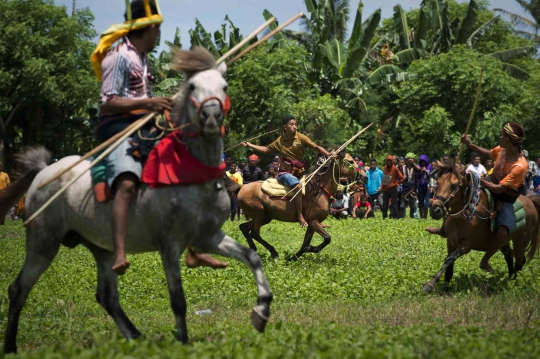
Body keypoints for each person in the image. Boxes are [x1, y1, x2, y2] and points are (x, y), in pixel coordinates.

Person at [95, 0, 226, 274]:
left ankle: (194, 250)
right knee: (128, 182)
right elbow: (107, 101)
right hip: (117, 126)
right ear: (150, 28)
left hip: (144, 124)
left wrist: (154, 105)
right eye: (158, 30)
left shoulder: (142, 58)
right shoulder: (118, 56)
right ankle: (119, 252)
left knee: (184, 164)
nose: (159, 35)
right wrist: (149, 103)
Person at [460, 122, 528, 273]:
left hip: (504, 197)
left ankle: (485, 260)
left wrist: (477, 179)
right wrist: (470, 144)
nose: (500, 136)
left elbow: (498, 189)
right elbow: (488, 154)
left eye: (503, 135)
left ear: (510, 139)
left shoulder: (520, 165)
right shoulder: (503, 150)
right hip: (489, 184)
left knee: (503, 232)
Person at [242, 115, 333, 227]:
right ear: (285, 127)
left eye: (295, 124)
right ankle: (300, 217)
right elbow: (266, 150)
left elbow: (317, 147)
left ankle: (313, 217)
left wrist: (328, 154)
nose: (294, 127)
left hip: (299, 172)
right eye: (291, 124)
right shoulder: (280, 140)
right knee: (298, 187)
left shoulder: (301, 138)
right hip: (284, 173)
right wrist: (250, 144)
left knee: (312, 188)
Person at [381, 155, 404, 219]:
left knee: (394, 205)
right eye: (388, 161)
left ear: (392, 161)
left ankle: (395, 217)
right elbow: (385, 178)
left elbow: (402, 178)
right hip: (385, 189)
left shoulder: (395, 168)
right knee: (385, 205)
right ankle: (384, 217)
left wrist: (396, 184)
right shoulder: (385, 167)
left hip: (393, 189)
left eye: (390, 161)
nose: (389, 163)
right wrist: (382, 186)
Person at [399, 153, 418, 219]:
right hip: (405, 186)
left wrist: (414, 164)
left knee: (414, 204)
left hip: (413, 187)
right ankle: (402, 217)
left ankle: (414, 217)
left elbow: (419, 169)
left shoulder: (415, 167)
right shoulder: (403, 167)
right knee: (403, 204)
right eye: (409, 158)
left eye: (411, 158)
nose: (410, 160)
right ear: (406, 160)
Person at [417, 154, 431, 219]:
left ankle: (427, 215)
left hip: (428, 186)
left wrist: (426, 171)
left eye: (424, 161)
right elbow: (416, 176)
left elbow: (431, 175)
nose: (423, 163)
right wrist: (421, 172)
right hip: (420, 186)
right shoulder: (418, 167)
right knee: (421, 201)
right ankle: (422, 216)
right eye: (421, 162)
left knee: (427, 201)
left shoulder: (429, 166)